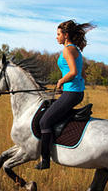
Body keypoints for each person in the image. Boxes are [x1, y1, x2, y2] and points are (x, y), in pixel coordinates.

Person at [35, 20, 96, 170]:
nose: (56, 37)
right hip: (73, 91)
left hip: (72, 93)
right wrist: (68, 85)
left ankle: (45, 160)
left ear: (66, 35)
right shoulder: (75, 49)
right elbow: (82, 74)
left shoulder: (68, 50)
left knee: (44, 122)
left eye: (58, 34)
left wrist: (61, 81)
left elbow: (74, 72)